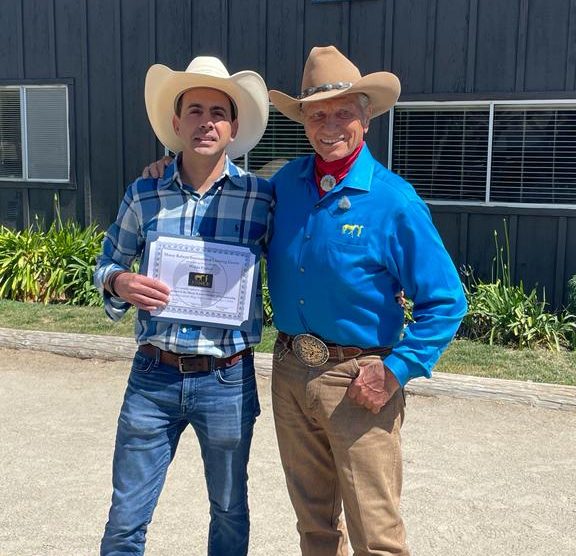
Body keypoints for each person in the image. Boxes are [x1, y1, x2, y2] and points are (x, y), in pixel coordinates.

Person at [143, 46, 467, 556]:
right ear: (304, 121)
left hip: (360, 378)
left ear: (365, 115)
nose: (330, 125)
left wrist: (398, 369)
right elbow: (221, 194)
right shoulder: (285, 185)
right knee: (314, 526)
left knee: (376, 534)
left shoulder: (393, 200)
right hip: (292, 370)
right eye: (318, 114)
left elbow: (446, 301)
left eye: (343, 112)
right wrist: (173, 166)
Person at [94, 55, 272, 556]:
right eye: (194, 110)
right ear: (176, 123)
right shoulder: (145, 193)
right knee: (127, 518)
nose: (206, 121)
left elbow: (299, 256)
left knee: (229, 511)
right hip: (153, 378)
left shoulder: (261, 197)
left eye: (218, 111)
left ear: (233, 127)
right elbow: (107, 262)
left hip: (227, 379)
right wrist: (121, 282)